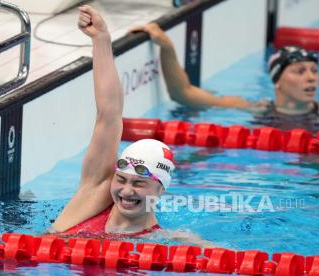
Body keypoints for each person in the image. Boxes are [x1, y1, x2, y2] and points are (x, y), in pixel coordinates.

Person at [51, 6, 213, 246]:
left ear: (160, 190)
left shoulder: (165, 242)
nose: (126, 191)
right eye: (122, 179)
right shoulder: (95, 193)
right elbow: (109, 114)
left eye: (139, 183)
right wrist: (101, 38)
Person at [131, 23, 319, 133]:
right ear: (277, 80)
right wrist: (167, 47)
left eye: (314, 71)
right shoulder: (253, 107)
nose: (311, 78)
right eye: (300, 71)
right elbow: (184, 94)